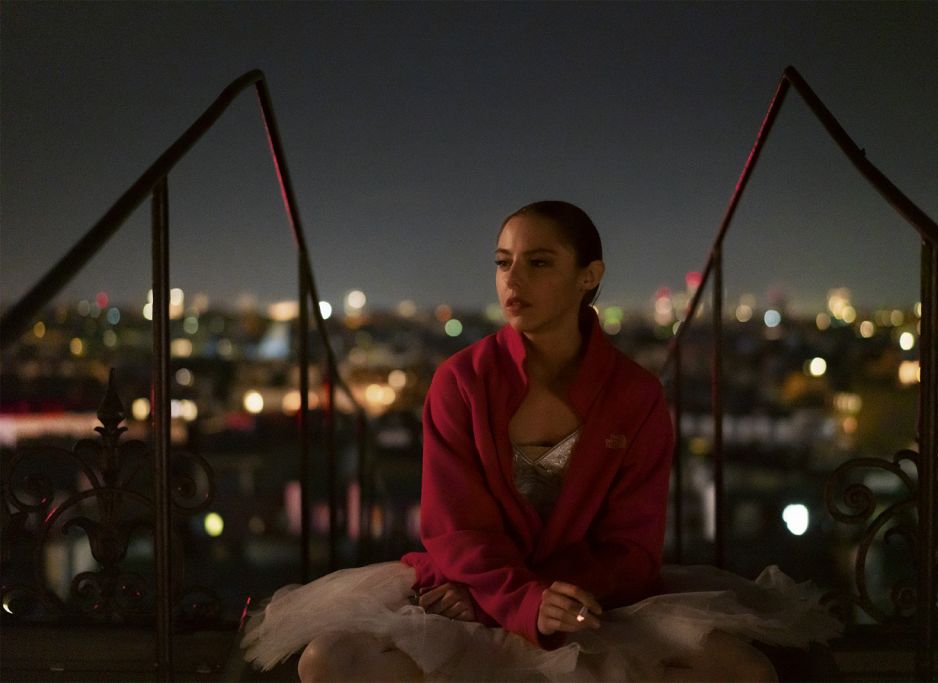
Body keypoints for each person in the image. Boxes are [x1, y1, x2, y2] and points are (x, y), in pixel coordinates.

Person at [241, 200, 841, 681]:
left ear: (589, 276)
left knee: (741, 671)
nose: (513, 279)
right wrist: (518, 600)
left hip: (589, 602)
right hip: (471, 592)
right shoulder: (462, 382)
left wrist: (554, 601)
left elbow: (633, 549)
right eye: (503, 262)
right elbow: (454, 531)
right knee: (331, 662)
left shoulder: (635, 397)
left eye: (539, 262)